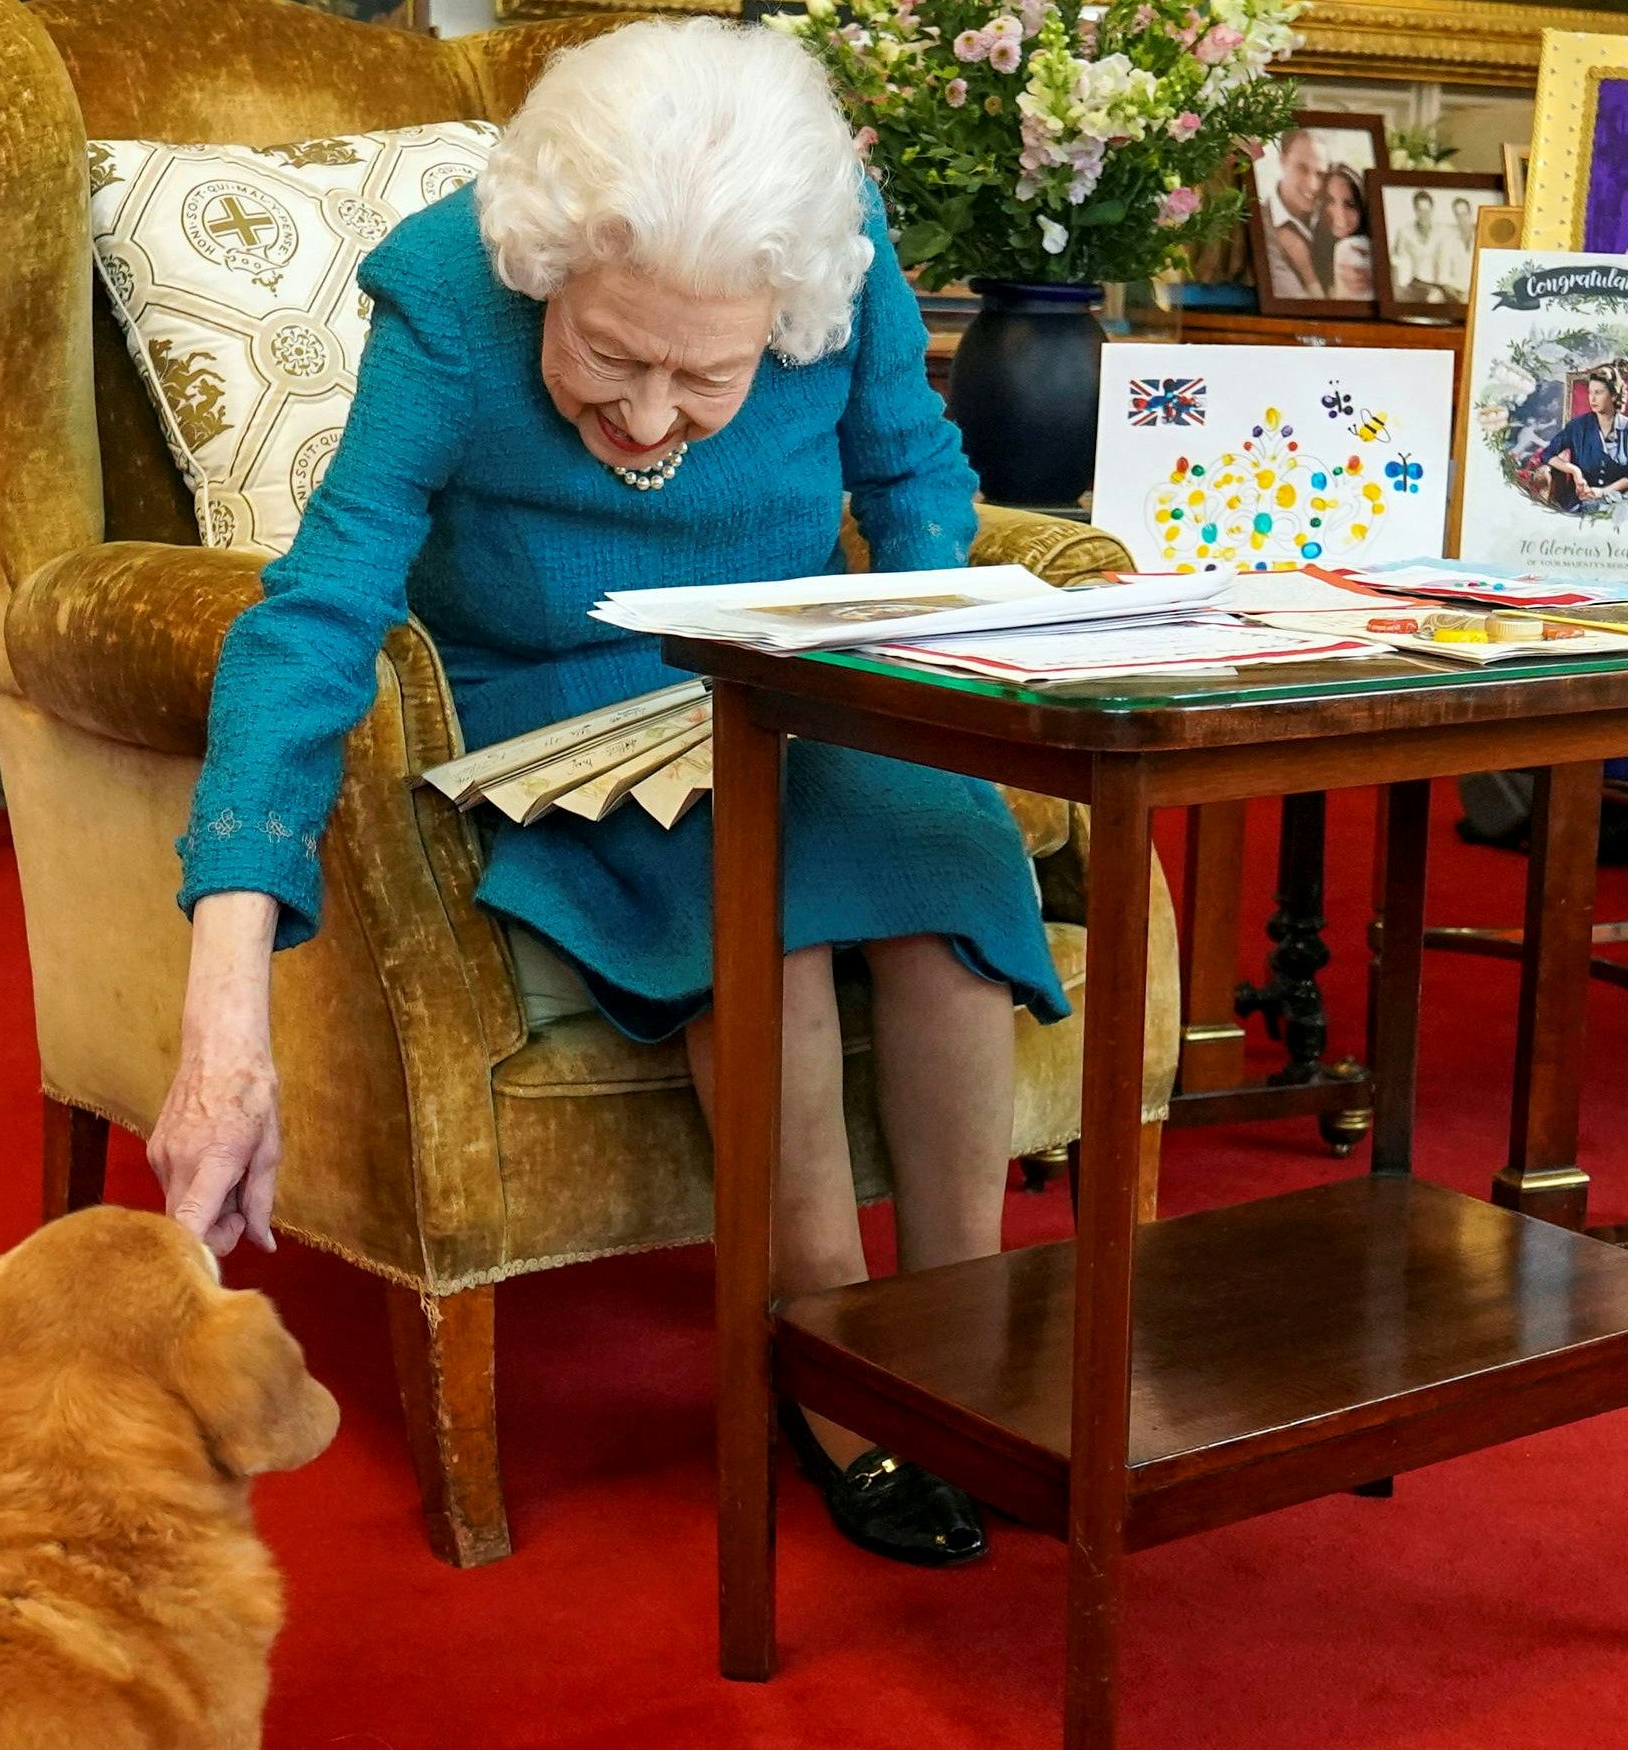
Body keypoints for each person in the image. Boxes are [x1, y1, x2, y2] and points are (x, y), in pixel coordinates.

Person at [154, 18, 1058, 1571]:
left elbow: (914, 490)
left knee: (950, 902)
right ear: (546, 269)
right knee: (754, 924)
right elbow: (316, 613)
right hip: (554, 695)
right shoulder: (448, 291)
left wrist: (943, 695)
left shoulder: (839, 254)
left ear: (785, 305)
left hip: (800, 673)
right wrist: (224, 1002)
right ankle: (833, 1363)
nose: (649, 421)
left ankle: (955, 1344)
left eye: (706, 375)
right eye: (607, 358)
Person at [1527, 363, 1628, 510]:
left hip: (1618, 504)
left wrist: (1603, 492)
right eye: (1590, 392)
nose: (1592, 398)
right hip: (1580, 503)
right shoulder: (1577, 426)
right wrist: (1575, 471)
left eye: (1599, 392)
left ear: (1614, 395)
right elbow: (1547, 454)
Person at [1259, 130, 1332, 302]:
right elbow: (1293, 302)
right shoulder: (1261, 223)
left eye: (1320, 174)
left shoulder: (1333, 220)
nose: (1313, 185)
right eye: (1302, 168)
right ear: (1282, 161)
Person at [1317, 162, 1376, 300]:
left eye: (1350, 204)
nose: (1340, 214)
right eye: (1330, 201)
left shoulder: (1369, 248)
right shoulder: (1312, 247)